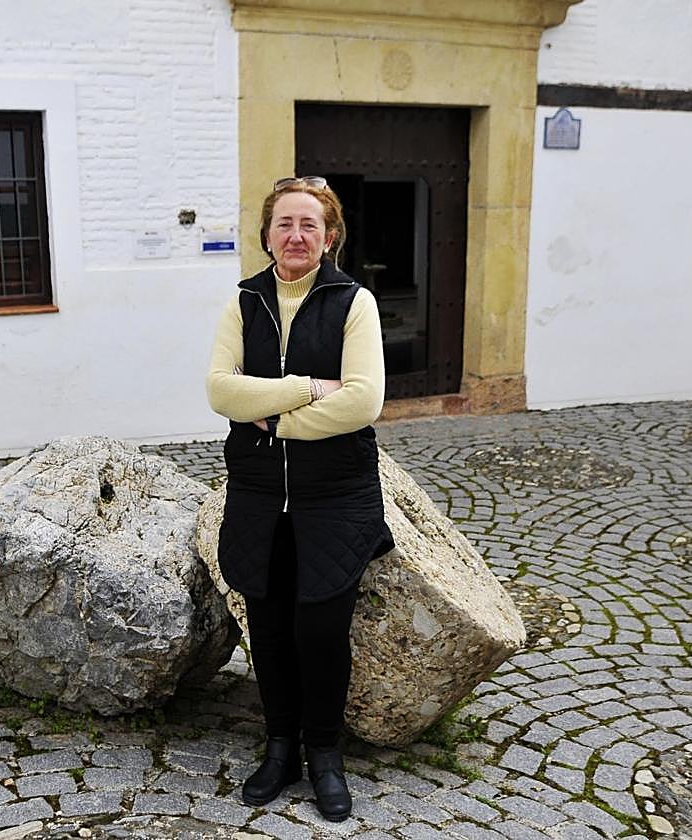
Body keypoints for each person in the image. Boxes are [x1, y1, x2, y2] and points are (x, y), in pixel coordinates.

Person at [206, 176, 394, 821]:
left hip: (335, 494)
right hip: (259, 493)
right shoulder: (244, 303)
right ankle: (280, 744)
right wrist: (306, 388)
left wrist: (276, 418)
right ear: (266, 235)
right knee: (270, 627)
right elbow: (221, 392)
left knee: (321, 628)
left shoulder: (354, 302)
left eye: (309, 225)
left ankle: (326, 753)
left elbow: (364, 401)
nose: (295, 235)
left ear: (330, 237)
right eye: (284, 224)